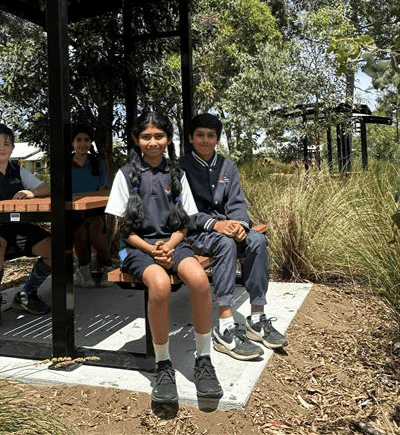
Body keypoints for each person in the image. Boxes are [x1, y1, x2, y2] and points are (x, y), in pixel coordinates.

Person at [105, 111, 223, 403]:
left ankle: (204, 359)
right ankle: (163, 363)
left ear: (168, 139)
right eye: (146, 136)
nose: (153, 141)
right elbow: (122, 229)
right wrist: (152, 250)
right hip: (137, 247)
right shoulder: (125, 175)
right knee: (159, 285)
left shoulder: (176, 174)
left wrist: (169, 245)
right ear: (136, 139)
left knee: (199, 281)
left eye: (159, 136)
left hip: (173, 243)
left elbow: (185, 224)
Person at [180, 113, 287, 361]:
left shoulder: (227, 166)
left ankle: (257, 319)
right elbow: (182, 211)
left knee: (257, 240)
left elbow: (237, 203)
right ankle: (225, 327)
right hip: (197, 232)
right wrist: (215, 225)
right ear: (190, 138)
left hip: (227, 227)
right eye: (200, 135)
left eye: (211, 136)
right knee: (225, 243)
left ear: (217, 139)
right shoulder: (180, 167)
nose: (205, 140)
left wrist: (239, 224)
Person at [0, 124, 52, 327]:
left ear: (13, 148)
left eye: (7, 144)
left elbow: (45, 187)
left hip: (20, 225)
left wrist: (32, 193)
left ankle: (26, 293)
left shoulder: (18, 171)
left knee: (57, 248)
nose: (1, 148)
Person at [70, 124, 113, 287]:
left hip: (95, 210)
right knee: (79, 230)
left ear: (91, 142)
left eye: (86, 140)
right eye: (79, 140)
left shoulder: (98, 162)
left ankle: (108, 267)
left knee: (94, 228)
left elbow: (103, 189)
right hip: (73, 211)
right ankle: (84, 270)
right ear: (72, 143)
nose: (83, 144)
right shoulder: (65, 163)